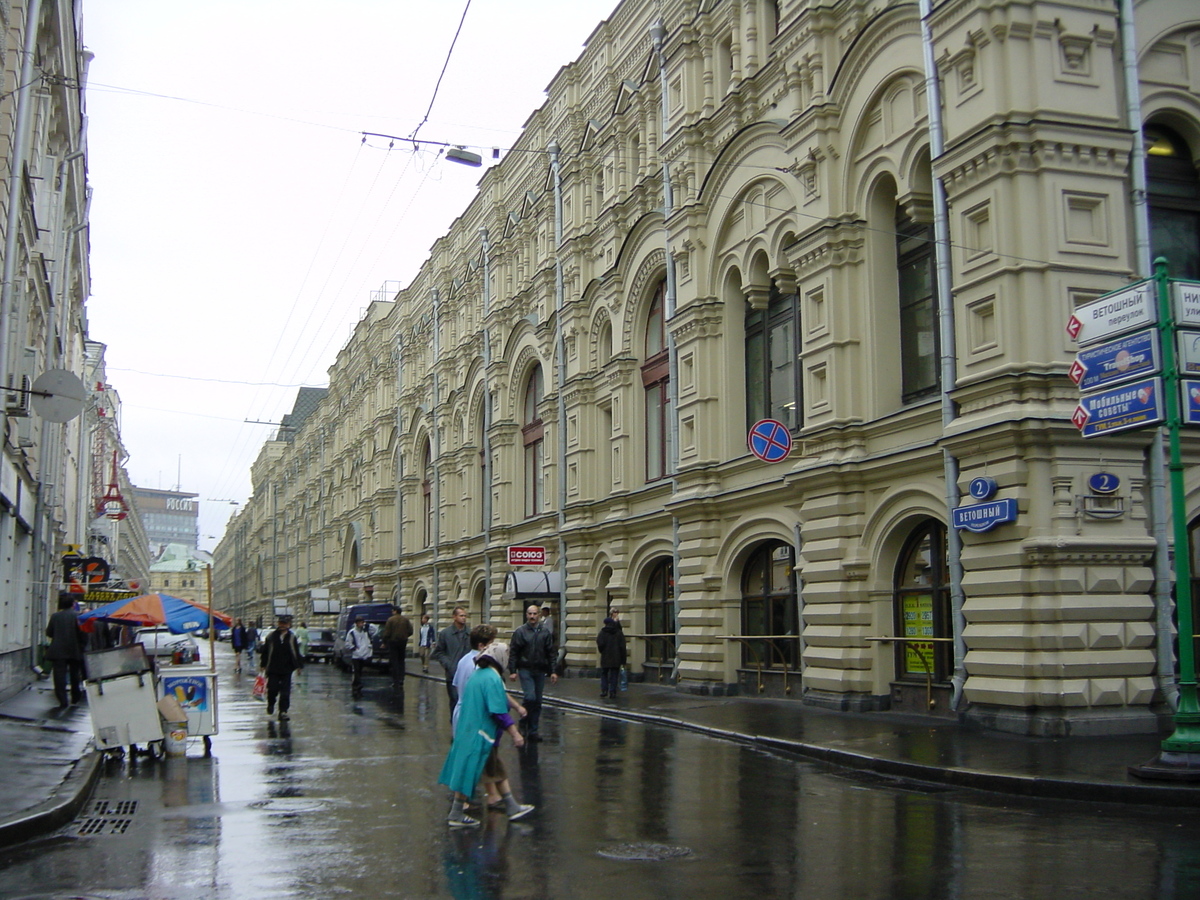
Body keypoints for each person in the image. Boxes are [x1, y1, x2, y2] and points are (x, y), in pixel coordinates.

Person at [439, 642, 534, 827]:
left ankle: (511, 806)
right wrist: (515, 733)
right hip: (481, 735)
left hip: (470, 732)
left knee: (493, 770)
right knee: (472, 771)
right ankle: (456, 813)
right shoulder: (492, 678)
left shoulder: (479, 674)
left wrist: (515, 707)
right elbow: (498, 711)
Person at [508, 603, 558, 741]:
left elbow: (551, 653)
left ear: (539, 615)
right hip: (525, 669)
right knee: (530, 697)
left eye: (535, 614)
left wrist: (553, 671)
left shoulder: (544, 632)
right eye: (530, 614)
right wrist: (512, 670)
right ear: (526, 615)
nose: (532, 616)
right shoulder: (520, 632)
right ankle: (524, 721)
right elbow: (514, 652)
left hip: (540, 670)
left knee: (538, 701)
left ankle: (533, 731)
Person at [259, 614, 304, 720]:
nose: (282, 625)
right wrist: (263, 665)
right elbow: (265, 652)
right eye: (280, 623)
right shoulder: (271, 636)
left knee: (285, 692)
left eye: (284, 623)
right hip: (273, 668)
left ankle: (283, 711)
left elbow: (296, 652)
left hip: (287, 669)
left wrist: (299, 666)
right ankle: (271, 704)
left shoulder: (292, 637)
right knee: (272, 689)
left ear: (289, 625)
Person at [46, 595, 85, 707]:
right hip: (74, 649)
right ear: (73, 604)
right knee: (74, 674)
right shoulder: (78, 617)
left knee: (59, 676)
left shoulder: (55, 616)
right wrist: (81, 646)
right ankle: (75, 697)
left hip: (58, 650)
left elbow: (49, 632)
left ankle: (62, 699)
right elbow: (83, 634)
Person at [431, 606, 471, 711]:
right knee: (455, 700)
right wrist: (449, 665)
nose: (464, 618)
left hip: (468, 673)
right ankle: (455, 723)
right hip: (453, 674)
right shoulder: (446, 633)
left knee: (468, 702)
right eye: (461, 615)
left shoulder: (470, 633)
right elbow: (439, 652)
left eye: (465, 616)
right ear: (454, 617)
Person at [380, 605, 413, 692]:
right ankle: (402, 679)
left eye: (392, 611)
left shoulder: (391, 620)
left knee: (394, 661)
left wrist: (384, 642)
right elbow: (410, 631)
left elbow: (387, 632)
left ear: (395, 611)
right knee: (401, 660)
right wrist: (405, 636)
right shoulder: (405, 620)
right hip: (403, 641)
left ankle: (396, 680)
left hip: (393, 641)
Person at [596, 608, 627, 698]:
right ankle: (612, 691)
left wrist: (603, 651)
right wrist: (623, 660)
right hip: (616, 657)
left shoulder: (602, 632)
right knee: (614, 674)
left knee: (604, 673)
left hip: (605, 657)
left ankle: (604, 690)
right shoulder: (618, 633)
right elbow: (622, 647)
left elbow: (600, 643)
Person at [346, 615, 373, 696]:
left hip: (364, 654)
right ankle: (357, 685)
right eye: (360, 623)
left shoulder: (365, 631)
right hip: (356, 655)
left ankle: (356, 684)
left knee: (360, 670)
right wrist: (353, 648)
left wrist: (368, 625)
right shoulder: (352, 632)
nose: (362, 624)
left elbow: (375, 630)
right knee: (357, 670)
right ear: (357, 623)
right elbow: (348, 643)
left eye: (362, 622)